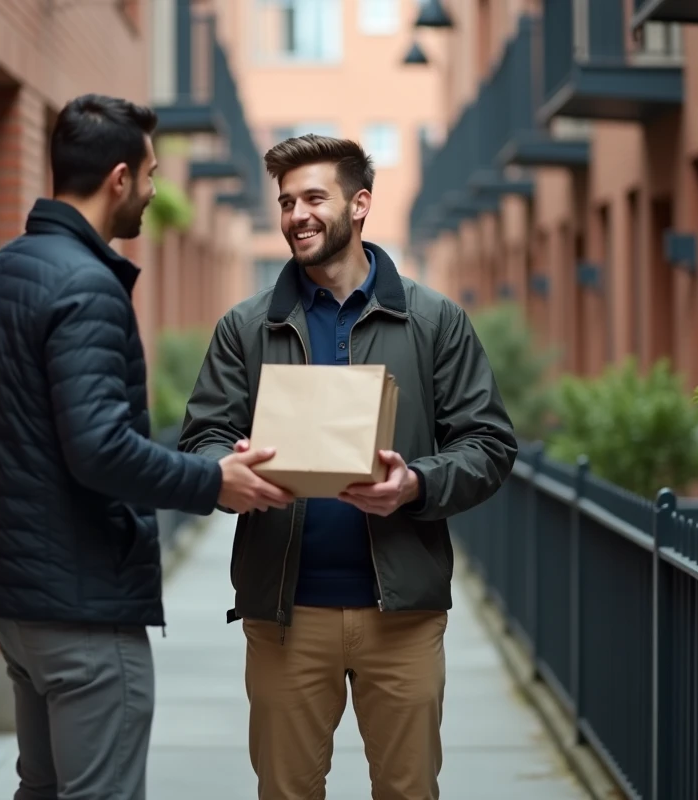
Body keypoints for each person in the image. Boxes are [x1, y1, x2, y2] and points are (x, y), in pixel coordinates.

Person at [0, 93, 292, 800]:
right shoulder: (87, 285)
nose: (153, 190)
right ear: (117, 178)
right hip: (81, 605)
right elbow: (100, 448)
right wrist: (213, 481)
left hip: (16, 601)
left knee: (41, 789)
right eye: (150, 174)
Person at [178, 134, 518, 800]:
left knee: (408, 792)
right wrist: (231, 472)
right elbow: (202, 441)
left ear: (360, 204)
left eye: (313, 198)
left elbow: (488, 444)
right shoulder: (247, 327)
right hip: (285, 614)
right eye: (286, 202)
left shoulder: (433, 321)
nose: (297, 215)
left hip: (403, 617)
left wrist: (416, 485)